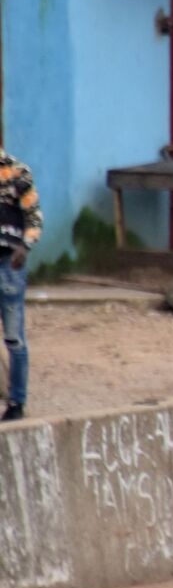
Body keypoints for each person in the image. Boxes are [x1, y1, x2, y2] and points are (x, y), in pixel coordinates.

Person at [0, 149, 40, 421]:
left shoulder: (17, 172)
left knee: (14, 337)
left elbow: (34, 217)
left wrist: (25, 246)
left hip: (8, 263)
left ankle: (17, 402)